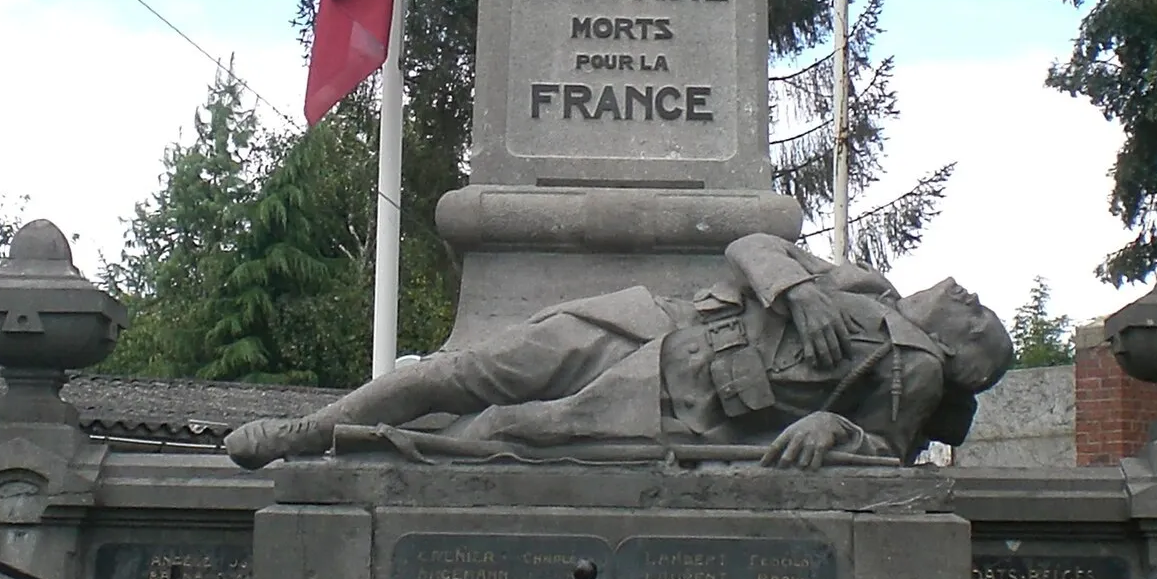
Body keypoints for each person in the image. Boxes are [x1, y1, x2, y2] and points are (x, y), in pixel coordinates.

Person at [222, 234, 1014, 470]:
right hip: (652, 324)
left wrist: (833, 432)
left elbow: (883, 457)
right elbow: (750, 244)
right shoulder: (868, 285)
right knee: (463, 371)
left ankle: (360, 448)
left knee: (496, 437)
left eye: (975, 311)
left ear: (957, 347)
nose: (961, 292)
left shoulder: (915, 372)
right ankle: (310, 431)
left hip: (673, 407)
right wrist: (795, 289)